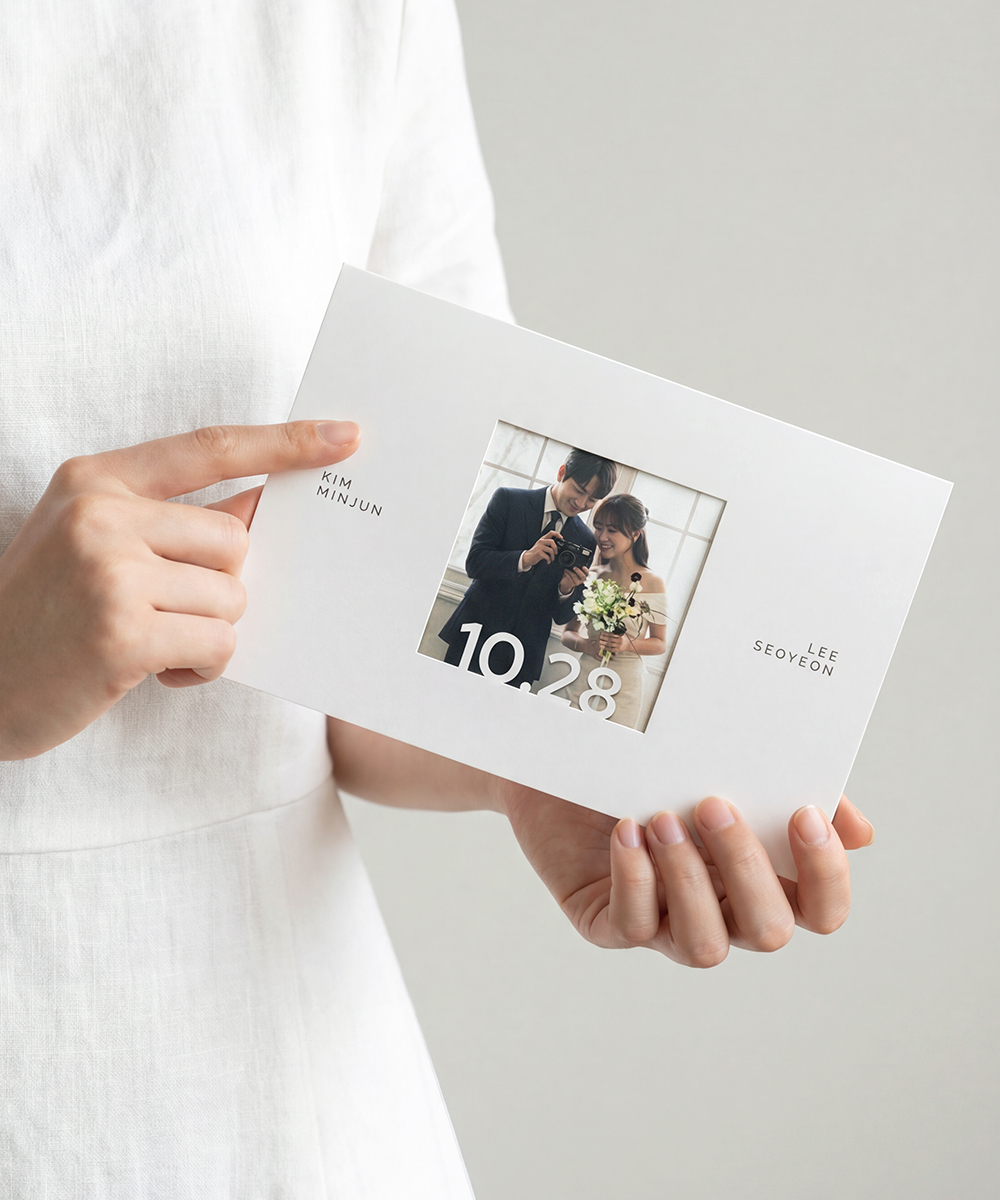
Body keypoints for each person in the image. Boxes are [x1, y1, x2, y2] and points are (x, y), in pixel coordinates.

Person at [0, 1, 875, 1195]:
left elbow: (344, 672)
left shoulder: (355, 20)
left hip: (271, 1068)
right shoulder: (523, 517)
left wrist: (533, 763)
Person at [439, 448, 617, 687]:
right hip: (476, 631)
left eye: (592, 500)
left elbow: (562, 616)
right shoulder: (508, 500)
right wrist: (525, 558)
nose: (582, 503)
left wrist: (565, 590)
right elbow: (475, 562)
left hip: (523, 653)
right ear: (561, 473)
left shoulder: (586, 539)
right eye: (579, 490)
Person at [560, 493, 667, 729]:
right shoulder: (591, 576)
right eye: (598, 527)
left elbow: (659, 643)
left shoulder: (653, 582)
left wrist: (627, 644)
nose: (602, 536)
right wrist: (586, 645)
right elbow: (567, 633)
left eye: (612, 530)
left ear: (635, 534)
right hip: (584, 678)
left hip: (625, 687)